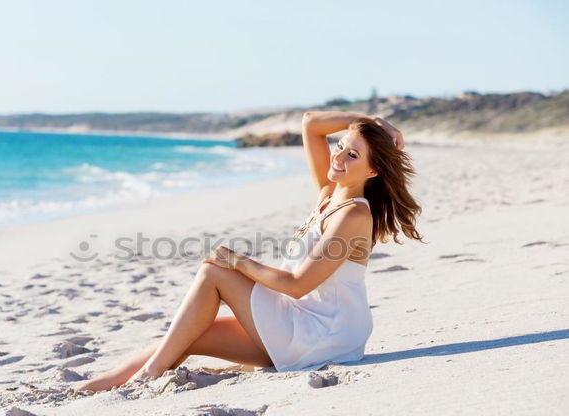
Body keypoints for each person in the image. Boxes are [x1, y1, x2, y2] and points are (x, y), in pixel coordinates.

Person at [77, 111, 424, 392]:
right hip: (298, 322)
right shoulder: (328, 194)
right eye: (341, 145)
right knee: (189, 334)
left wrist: (239, 262)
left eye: (353, 154)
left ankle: (148, 377)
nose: (339, 155)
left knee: (215, 271)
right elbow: (310, 123)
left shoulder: (354, 213)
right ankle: (96, 387)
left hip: (322, 334)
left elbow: (297, 284)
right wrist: (374, 120)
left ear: (373, 169)